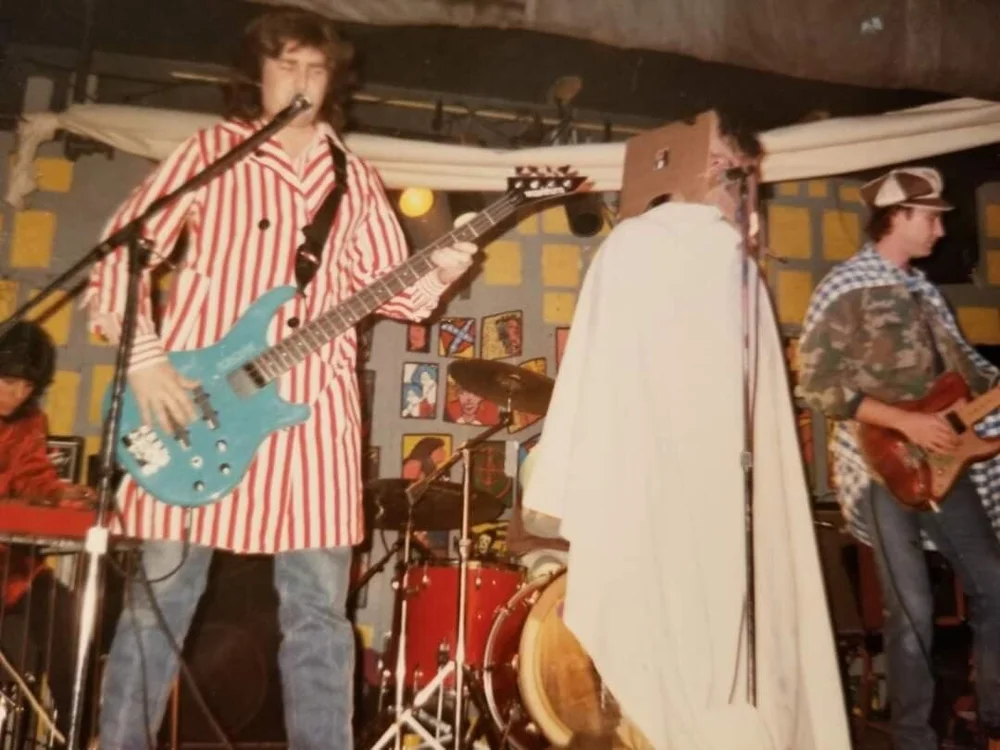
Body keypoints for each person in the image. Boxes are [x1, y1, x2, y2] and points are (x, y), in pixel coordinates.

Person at [84, 9, 475, 748]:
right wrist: (144, 359)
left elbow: (391, 292)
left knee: (320, 615)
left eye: (314, 69)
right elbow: (122, 251)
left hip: (314, 413)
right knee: (156, 604)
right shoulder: (211, 152)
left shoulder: (355, 180)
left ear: (335, 81)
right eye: (285, 65)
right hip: (194, 403)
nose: (299, 81)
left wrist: (447, 261)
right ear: (257, 75)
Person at [522, 110, 851, 749]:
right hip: (655, 490)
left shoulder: (730, 264)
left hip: (721, 498)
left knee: (724, 641)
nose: (727, 179)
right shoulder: (636, 247)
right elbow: (606, 372)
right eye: (721, 163)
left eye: (737, 171)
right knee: (676, 636)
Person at [797, 166, 1000, 750]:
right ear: (897, 217)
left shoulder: (926, 292)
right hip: (879, 466)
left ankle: (990, 714)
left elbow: (968, 376)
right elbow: (817, 385)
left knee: (993, 583)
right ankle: (913, 740)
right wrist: (906, 420)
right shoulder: (844, 288)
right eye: (932, 217)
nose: (940, 230)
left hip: (944, 460)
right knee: (910, 610)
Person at [0, 320, 95, 739]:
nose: (16, 394)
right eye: (8, 382)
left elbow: (34, 475)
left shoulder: (30, 421)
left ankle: (78, 732)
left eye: (26, 387)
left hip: (15, 571)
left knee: (67, 616)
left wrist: (61, 495)